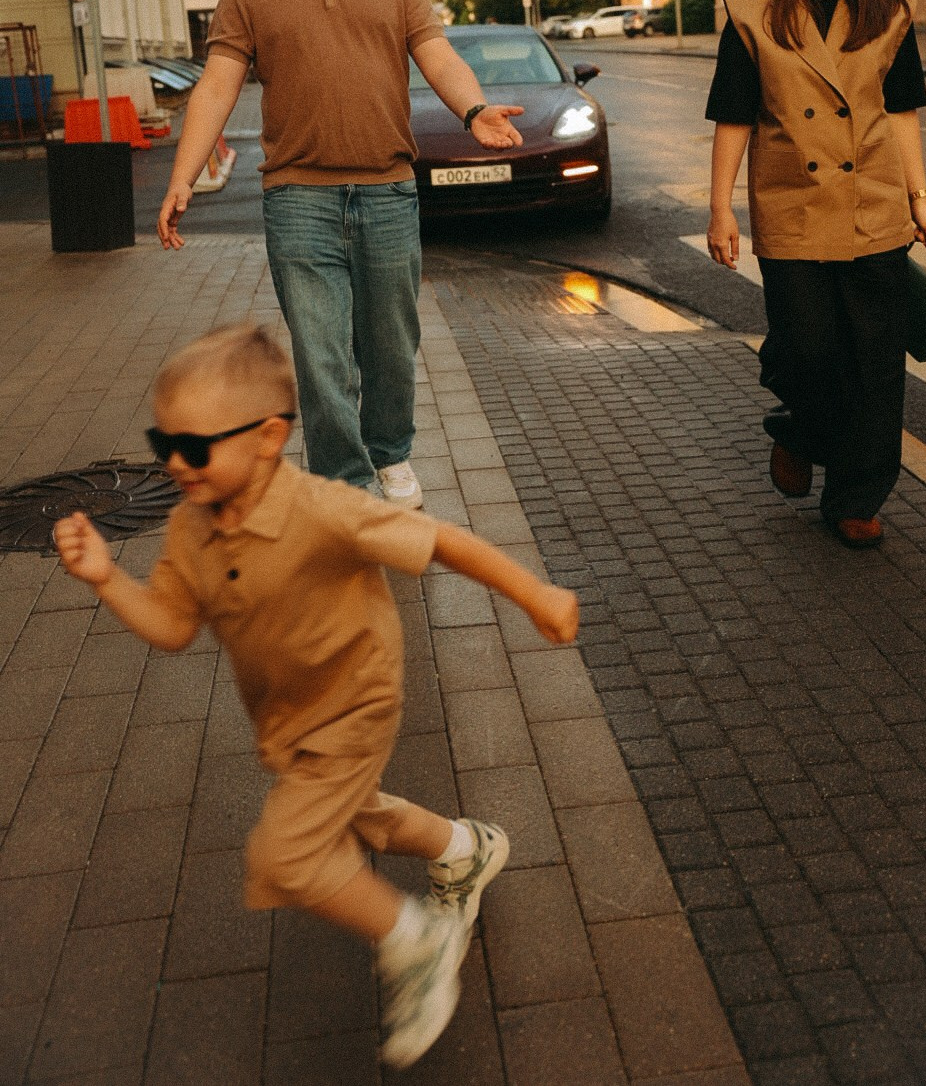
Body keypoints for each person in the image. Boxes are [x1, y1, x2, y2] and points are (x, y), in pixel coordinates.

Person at [54, 323, 579, 1070]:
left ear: (268, 438)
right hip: (288, 717)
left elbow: (439, 542)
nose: (175, 463)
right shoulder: (189, 528)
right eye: (161, 442)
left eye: (195, 447)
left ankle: (417, 938)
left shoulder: (323, 510)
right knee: (354, 813)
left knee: (288, 855)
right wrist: (108, 578)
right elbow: (172, 627)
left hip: (355, 700)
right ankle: (464, 850)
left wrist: (536, 594)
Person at [157, 0, 525, 509]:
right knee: (322, 354)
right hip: (298, 196)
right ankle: (344, 485)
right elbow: (216, 85)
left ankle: (390, 456)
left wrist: (473, 109)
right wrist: (184, 174)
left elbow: (436, 55)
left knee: (389, 344)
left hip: (387, 190)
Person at [705, 0, 926, 546]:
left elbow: (901, 113)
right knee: (807, 352)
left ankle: (856, 499)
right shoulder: (751, 12)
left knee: (874, 363)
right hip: (793, 208)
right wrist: (721, 209)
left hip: (873, 205)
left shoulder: (890, 7)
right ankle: (799, 428)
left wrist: (920, 200)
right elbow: (733, 117)